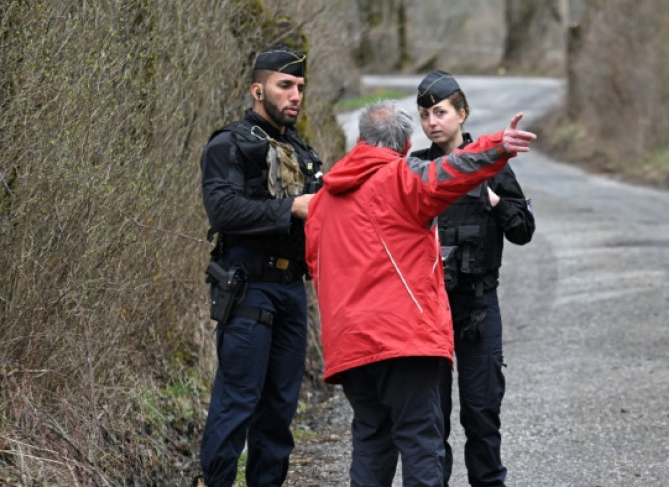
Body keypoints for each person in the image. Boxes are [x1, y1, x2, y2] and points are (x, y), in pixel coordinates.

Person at [305, 100, 536, 487]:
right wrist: (497, 146)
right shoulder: (402, 179)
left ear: (360, 139)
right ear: (405, 147)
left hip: (350, 346)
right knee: (420, 443)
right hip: (404, 342)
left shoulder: (323, 199)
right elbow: (453, 172)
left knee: (371, 442)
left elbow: (316, 266)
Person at [199, 44, 323, 486]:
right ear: (258, 89)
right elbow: (224, 211)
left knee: (280, 410)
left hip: (292, 290)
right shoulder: (228, 144)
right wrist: (292, 208)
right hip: (249, 287)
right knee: (237, 403)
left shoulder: (302, 151)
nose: (295, 95)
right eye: (284, 85)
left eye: (300, 87)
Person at [411, 70, 534, 487]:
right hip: (430, 309)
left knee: (481, 411)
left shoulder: (489, 164)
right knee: (432, 418)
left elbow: (523, 231)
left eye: (441, 112)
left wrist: (494, 198)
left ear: (462, 114)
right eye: (425, 114)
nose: (432, 122)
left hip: (479, 306)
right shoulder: (417, 168)